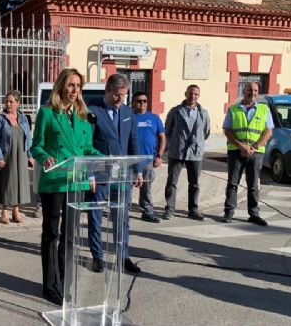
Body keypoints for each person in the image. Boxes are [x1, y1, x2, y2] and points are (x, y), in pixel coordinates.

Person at [30, 68, 101, 306]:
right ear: (61, 86)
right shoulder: (47, 113)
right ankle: (50, 285)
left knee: (70, 235)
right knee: (52, 234)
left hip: (76, 181)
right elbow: (36, 146)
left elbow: (88, 148)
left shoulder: (82, 115)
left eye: (78, 86)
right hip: (54, 181)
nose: (74, 90)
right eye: (70, 85)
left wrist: (102, 158)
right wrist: (44, 157)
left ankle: (64, 280)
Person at [87, 73, 143, 274]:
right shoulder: (93, 111)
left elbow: (133, 142)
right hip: (100, 174)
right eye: (117, 95)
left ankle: (123, 255)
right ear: (107, 91)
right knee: (95, 216)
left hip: (122, 174)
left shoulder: (128, 112)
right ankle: (97, 256)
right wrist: (89, 174)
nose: (121, 99)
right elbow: (87, 144)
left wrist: (137, 170)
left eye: (124, 95)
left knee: (122, 217)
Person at [221, 82, 273, 225]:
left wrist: (254, 147)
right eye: (250, 90)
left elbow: (268, 131)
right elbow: (227, 130)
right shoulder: (233, 109)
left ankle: (254, 214)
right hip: (236, 151)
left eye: (255, 90)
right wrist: (241, 146)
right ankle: (229, 212)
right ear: (243, 91)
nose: (253, 92)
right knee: (233, 183)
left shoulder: (264, 109)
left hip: (256, 153)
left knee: (253, 185)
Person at [163, 84, 210, 220]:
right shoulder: (175, 111)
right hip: (177, 151)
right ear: (185, 93)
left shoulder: (203, 112)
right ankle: (169, 209)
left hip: (195, 152)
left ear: (198, 96)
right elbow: (168, 130)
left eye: (196, 94)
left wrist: (197, 142)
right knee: (172, 181)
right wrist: (173, 144)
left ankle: (193, 210)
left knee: (194, 183)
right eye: (190, 93)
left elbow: (206, 132)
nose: (193, 96)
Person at [0, 90, 34, 224]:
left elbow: (29, 138)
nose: (8, 104)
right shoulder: (0, 118)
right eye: (7, 101)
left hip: (21, 154)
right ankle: (4, 210)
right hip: (7, 154)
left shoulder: (23, 118)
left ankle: (16, 210)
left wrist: (29, 155)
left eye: (11, 101)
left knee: (19, 182)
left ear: (18, 103)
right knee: (6, 182)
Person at [132, 91, 166, 223]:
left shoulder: (154, 118)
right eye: (139, 101)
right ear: (133, 102)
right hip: (130, 160)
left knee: (146, 188)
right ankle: (123, 210)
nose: (142, 103)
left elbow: (162, 137)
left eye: (145, 101)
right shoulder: (128, 116)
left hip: (147, 160)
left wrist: (159, 155)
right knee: (127, 187)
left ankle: (147, 211)